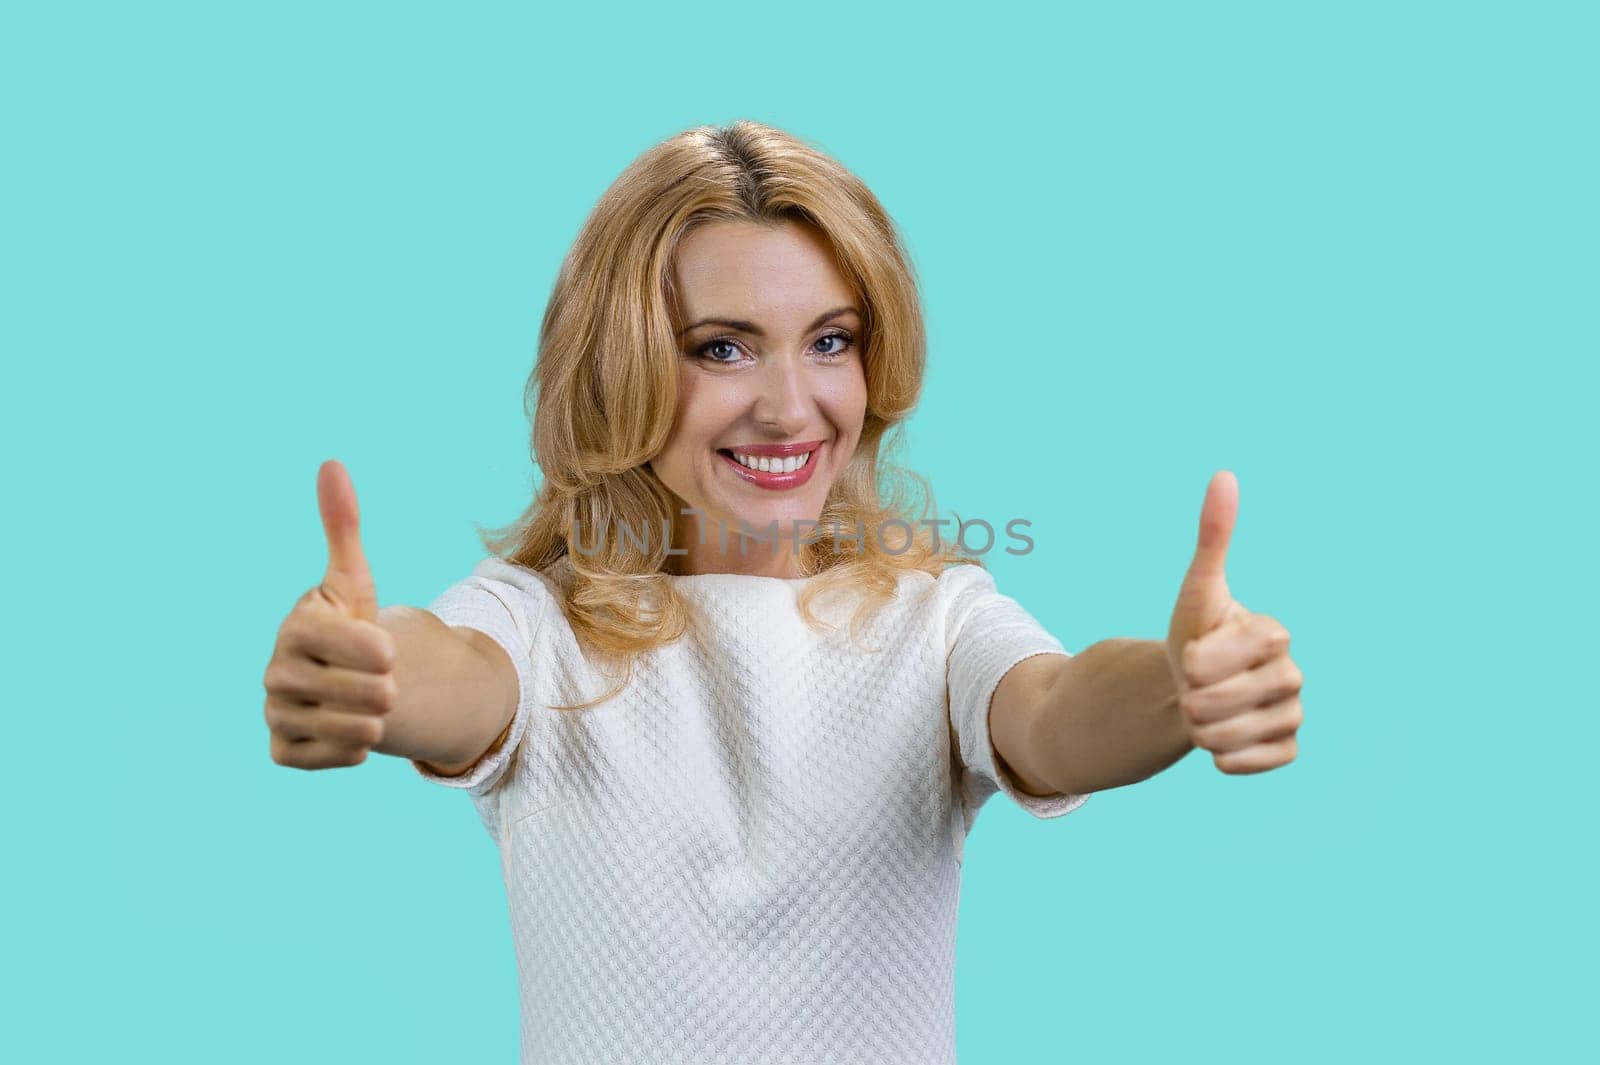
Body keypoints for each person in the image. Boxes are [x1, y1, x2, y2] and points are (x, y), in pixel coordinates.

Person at [262, 120, 1305, 1063]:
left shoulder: (932, 625)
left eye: (830, 342)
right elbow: (455, 676)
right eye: (722, 348)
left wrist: (1179, 689)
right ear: (619, 366)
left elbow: (1055, 709)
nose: (788, 406)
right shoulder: (537, 622)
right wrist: (375, 675)